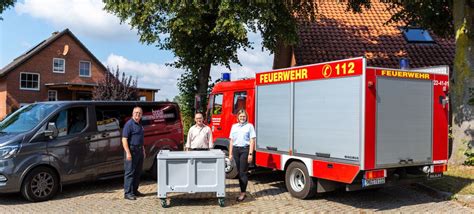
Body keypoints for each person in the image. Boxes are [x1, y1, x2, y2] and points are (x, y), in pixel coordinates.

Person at [228, 109, 255, 202]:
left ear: (246, 117)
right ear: (238, 117)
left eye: (244, 116)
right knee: (239, 172)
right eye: (241, 116)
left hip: (245, 150)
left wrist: (250, 154)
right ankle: (242, 191)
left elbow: (252, 141)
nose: (242, 118)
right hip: (235, 150)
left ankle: (243, 193)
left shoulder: (249, 126)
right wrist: (230, 154)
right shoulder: (234, 126)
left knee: (243, 172)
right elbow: (231, 141)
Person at [121, 107, 145, 200]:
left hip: (139, 150)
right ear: (132, 113)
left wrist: (143, 150)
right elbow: (124, 139)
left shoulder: (140, 124)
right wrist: (128, 153)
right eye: (136, 113)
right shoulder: (129, 124)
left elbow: (141, 139)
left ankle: (134, 190)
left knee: (137, 172)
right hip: (132, 151)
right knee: (129, 172)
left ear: (141, 115)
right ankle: (127, 193)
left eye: (139, 113)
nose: (137, 114)